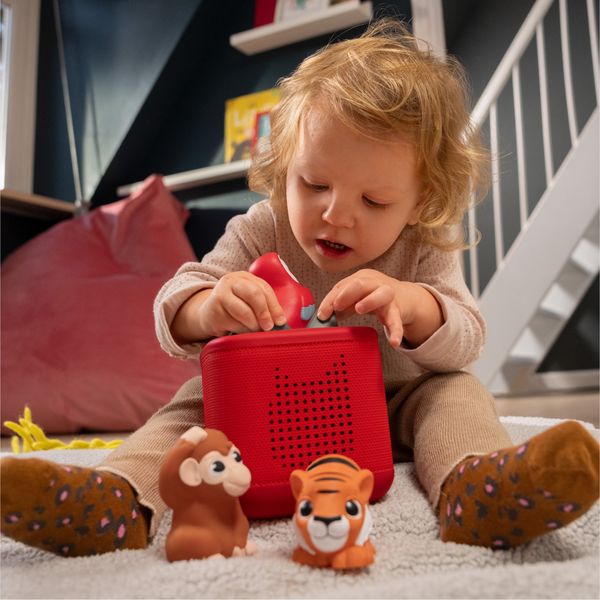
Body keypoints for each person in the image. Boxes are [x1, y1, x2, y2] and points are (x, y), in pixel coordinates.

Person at [2, 19, 598, 557]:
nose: (336, 215)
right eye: (313, 183)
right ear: (285, 167)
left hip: (395, 408)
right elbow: (173, 309)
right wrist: (209, 307)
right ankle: (118, 502)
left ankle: (476, 490)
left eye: (374, 200)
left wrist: (414, 306)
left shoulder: (425, 240)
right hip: (265, 403)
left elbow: (467, 337)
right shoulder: (262, 226)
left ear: (420, 202)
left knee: (456, 392)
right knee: (191, 404)